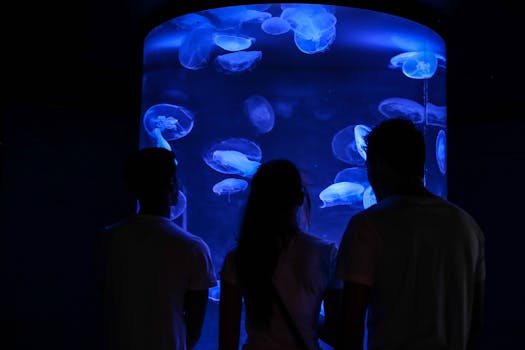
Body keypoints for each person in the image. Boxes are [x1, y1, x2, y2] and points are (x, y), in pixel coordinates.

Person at [335, 118, 486, 350]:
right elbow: (477, 321)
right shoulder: (467, 225)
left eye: (369, 167)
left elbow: (350, 327)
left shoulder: (367, 226)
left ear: (380, 164)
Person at [96, 147, 217, 350]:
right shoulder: (194, 248)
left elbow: (104, 303)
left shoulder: (108, 239)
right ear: (171, 185)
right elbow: (194, 329)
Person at [218, 158, 342, 350]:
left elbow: (227, 340)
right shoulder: (326, 253)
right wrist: (306, 317)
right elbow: (338, 333)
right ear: (300, 198)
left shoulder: (238, 258)